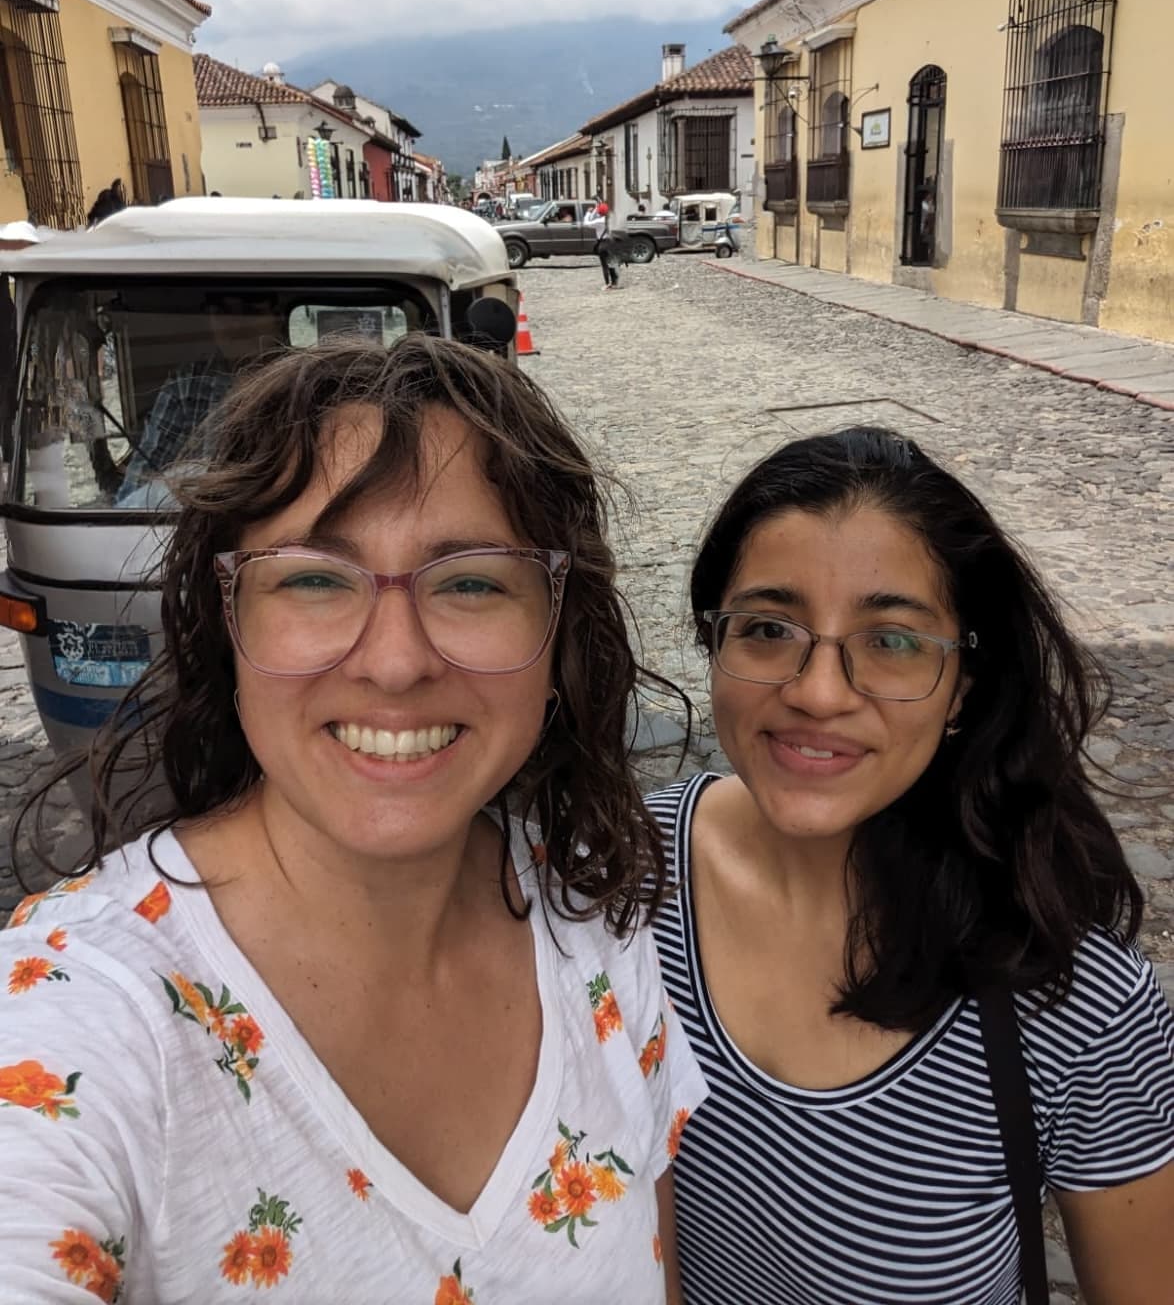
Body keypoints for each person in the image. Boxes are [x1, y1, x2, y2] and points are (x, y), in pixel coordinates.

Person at [4, 336, 705, 1303]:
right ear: (228, 621)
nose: (395, 662)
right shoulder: (77, 1022)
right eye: (315, 579)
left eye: (469, 581)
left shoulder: (586, 916)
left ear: (557, 633)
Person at [649, 427, 1174, 1305]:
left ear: (963, 683)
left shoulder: (1072, 1000)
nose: (818, 692)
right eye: (768, 629)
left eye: (892, 641)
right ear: (714, 643)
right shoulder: (608, 884)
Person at [114, 292, 285, 507]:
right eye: (221, 311)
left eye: (250, 310)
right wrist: (192, 480)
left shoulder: (308, 383)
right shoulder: (187, 385)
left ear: (277, 317)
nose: (236, 323)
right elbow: (132, 496)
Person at [587, 202, 619, 291]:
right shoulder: (611, 219)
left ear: (599, 212)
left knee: (604, 265)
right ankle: (614, 283)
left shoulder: (599, 221)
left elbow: (588, 222)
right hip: (611, 243)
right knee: (611, 263)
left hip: (603, 244)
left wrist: (590, 212)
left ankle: (607, 283)